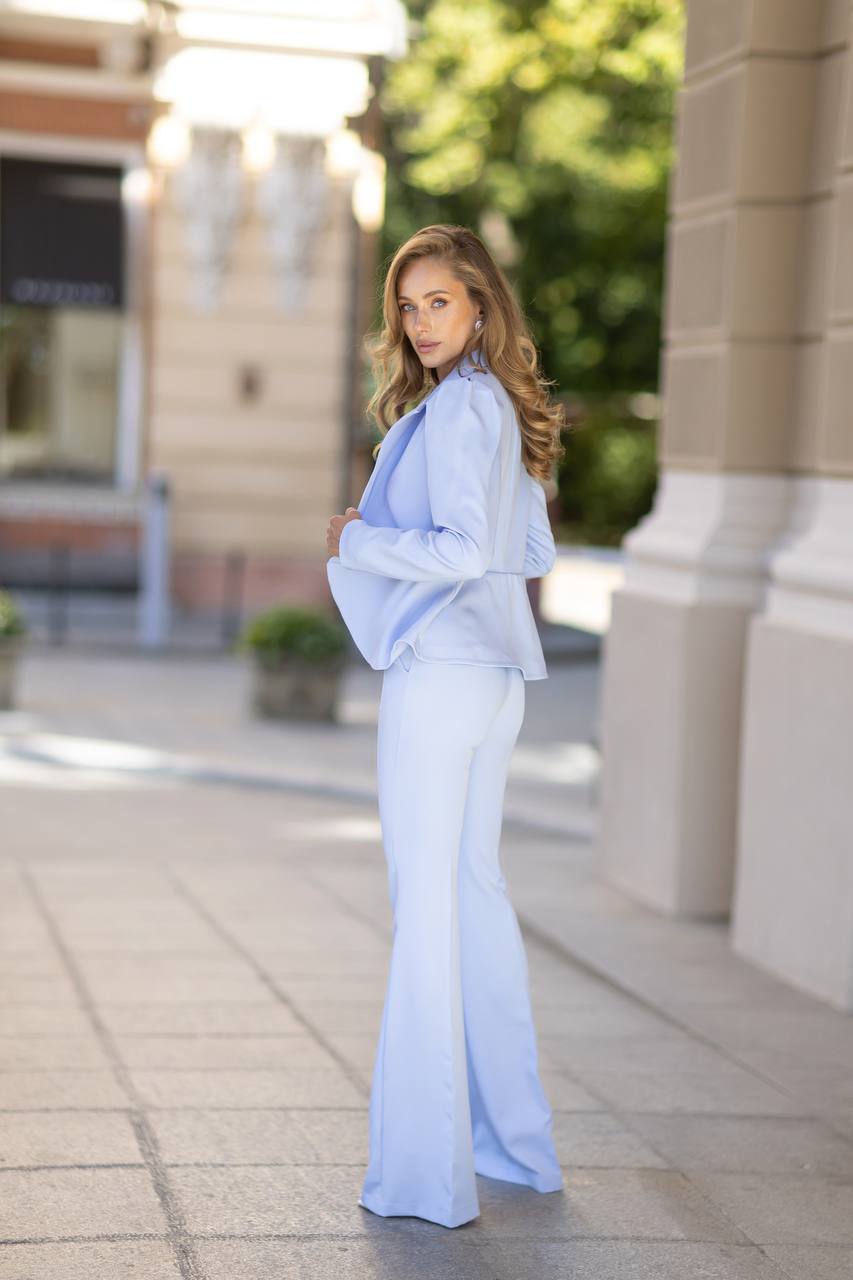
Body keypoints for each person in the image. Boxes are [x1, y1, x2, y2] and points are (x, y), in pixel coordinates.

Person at [325, 224, 565, 1229]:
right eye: (409, 305)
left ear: (480, 306)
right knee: (470, 897)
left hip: (444, 678)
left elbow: (468, 548)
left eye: (440, 302)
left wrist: (362, 538)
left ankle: (427, 1175)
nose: (422, 322)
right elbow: (532, 544)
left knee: (426, 907)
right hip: (496, 678)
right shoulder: (496, 405)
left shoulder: (462, 406)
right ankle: (513, 1147)